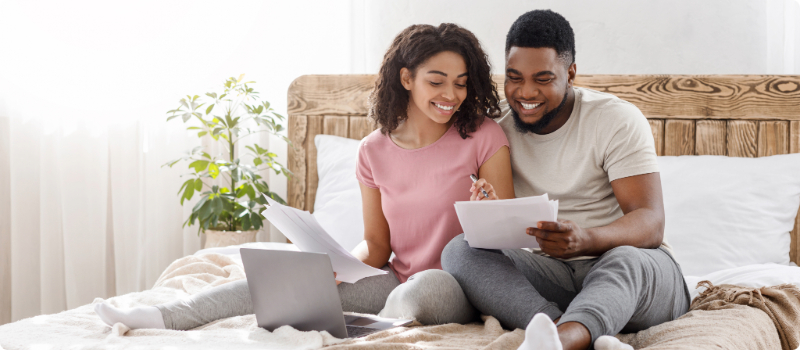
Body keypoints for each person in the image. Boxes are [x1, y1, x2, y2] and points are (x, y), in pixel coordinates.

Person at [94, 23, 514, 331]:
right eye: (436, 81)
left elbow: (507, 238)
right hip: (394, 279)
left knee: (422, 291)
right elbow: (378, 244)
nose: (451, 95)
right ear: (406, 79)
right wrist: (339, 264)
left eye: (460, 84)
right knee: (292, 278)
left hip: (456, 285)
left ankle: (368, 329)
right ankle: (163, 315)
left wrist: (488, 212)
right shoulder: (373, 150)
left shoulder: (482, 135)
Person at [442, 10, 691, 350]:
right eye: (515, 77)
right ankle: (562, 333)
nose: (525, 92)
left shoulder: (616, 119)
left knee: (626, 259)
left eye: (543, 79)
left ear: (571, 73)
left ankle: (565, 337)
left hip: (632, 274)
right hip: (552, 275)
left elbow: (651, 222)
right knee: (460, 249)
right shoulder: (495, 125)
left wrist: (586, 239)